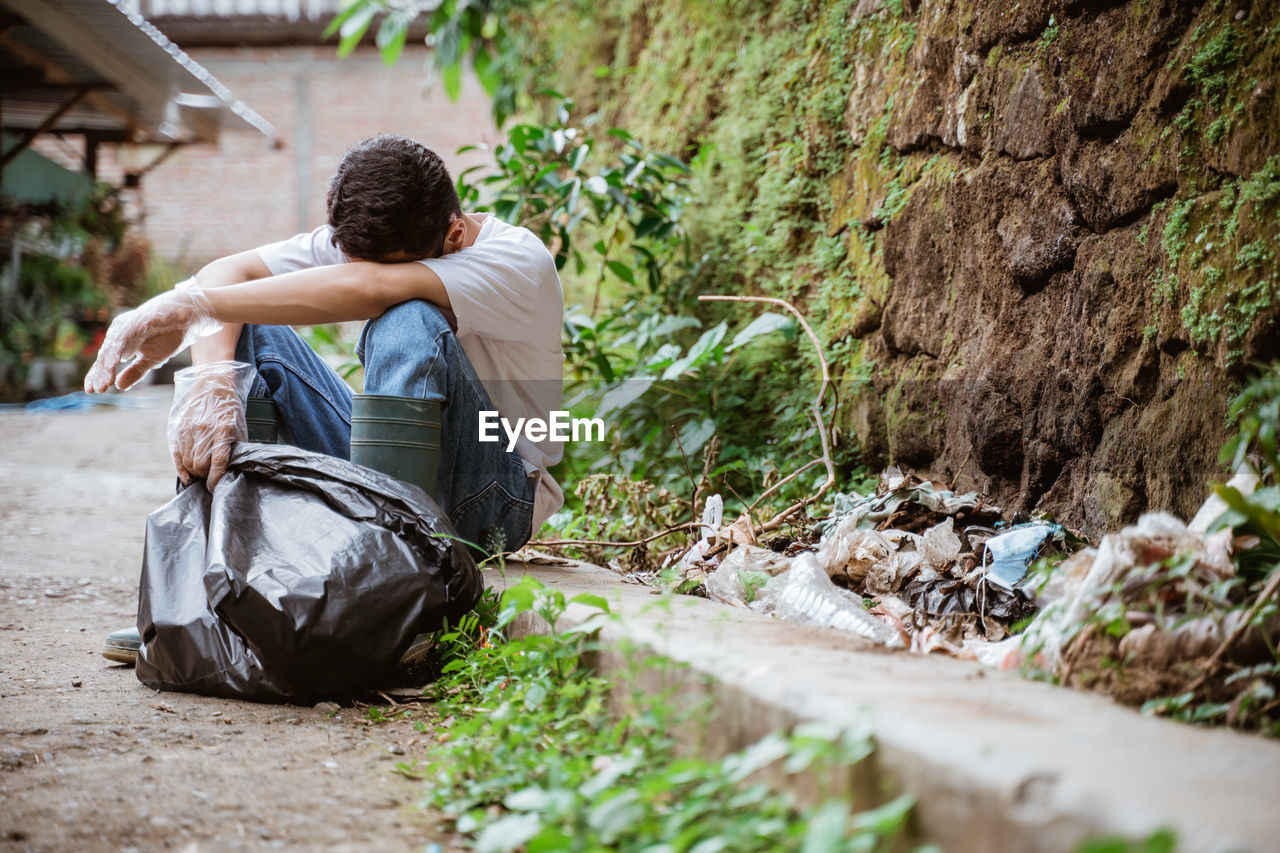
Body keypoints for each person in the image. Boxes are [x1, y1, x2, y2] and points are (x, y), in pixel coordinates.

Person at [91, 134, 565, 665]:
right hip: (395, 483)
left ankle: (391, 608)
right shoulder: (374, 237)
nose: (354, 268)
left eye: (378, 267)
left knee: (407, 317)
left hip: (494, 493)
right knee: (244, 333)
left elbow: (371, 289)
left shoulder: (518, 259)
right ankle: (228, 601)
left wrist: (188, 306)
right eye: (346, 258)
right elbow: (228, 273)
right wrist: (214, 378)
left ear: (454, 233)